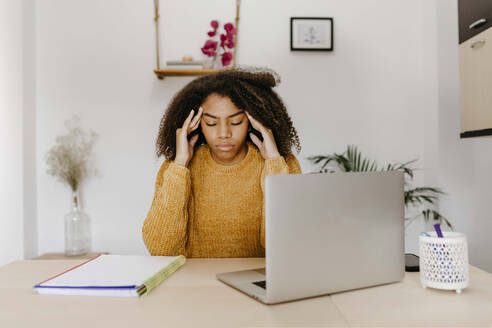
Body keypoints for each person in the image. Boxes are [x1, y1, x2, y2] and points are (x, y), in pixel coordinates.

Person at [142, 68, 301, 257]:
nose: (224, 133)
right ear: (196, 123)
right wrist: (180, 164)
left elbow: (287, 246)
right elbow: (160, 248)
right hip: (197, 283)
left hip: (259, 284)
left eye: (235, 122)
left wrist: (273, 163)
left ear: (252, 121)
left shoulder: (282, 165)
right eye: (211, 123)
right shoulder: (176, 168)